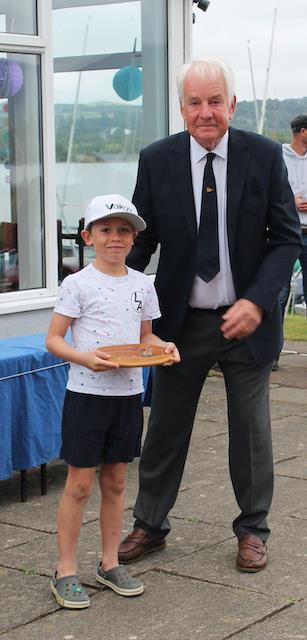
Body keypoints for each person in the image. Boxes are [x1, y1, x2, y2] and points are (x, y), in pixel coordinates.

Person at [118, 58, 302, 573]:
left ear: (232, 105)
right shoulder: (156, 160)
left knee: (250, 431)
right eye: (195, 103)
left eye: (215, 101)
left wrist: (257, 300)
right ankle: (150, 525)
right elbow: (142, 239)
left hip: (247, 322)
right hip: (181, 323)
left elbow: (286, 238)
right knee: (166, 429)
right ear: (181, 109)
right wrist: (111, 293)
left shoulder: (264, 156)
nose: (206, 113)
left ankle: (252, 530)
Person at [45, 194, 180, 609]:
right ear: (88, 236)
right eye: (106, 229)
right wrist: (85, 357)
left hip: (127, 395)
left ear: (135, 236)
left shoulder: (142, 283)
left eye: (124, 230)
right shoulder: (77, 283)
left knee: (117, 482)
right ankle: (65, 570)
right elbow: (52, 340)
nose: (115, 238)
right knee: (80, 483)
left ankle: (108, 563)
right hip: (86, 395)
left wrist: (164, 346)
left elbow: (144, 338)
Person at [282, 114, 307, 308]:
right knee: (279, 292)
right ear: (303, 132)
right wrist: (290, 199)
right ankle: (275, 339)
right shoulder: (278, 156)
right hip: (285, 232)